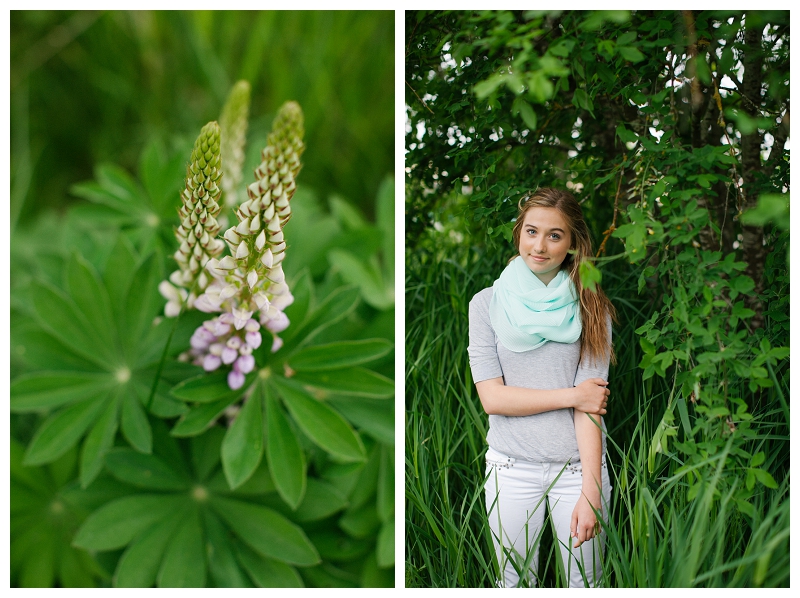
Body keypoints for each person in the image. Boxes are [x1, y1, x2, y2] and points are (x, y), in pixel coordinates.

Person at [467, 187, 616, 588]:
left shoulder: (592, 305)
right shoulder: (486, 304)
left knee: (586, 583)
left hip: (576, 470)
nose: (540, 245)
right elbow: (492, 399)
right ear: (519, 233)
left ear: (571, 244)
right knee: (513, 583)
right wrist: (573, 395)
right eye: (532, 231)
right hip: (510, 467)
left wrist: (591, 488)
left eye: (555, 235)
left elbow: (591, 409)